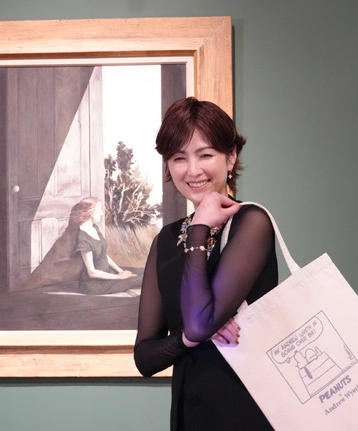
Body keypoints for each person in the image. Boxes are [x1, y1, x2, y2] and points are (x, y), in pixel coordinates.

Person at [134, 97, 278, 430]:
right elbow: (145, 358)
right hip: (189, 418)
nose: (192, 170)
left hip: (246, 413)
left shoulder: (251, 223)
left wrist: (198, 228)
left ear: (231, 157)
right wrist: (186, 338)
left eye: (206, 154)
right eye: (178, 157)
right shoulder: (166, 240)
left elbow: (201, 324)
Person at [71, 197, 141, 295]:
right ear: (91, 212)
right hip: (94, 285)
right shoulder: (83, 238)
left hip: (107, 275)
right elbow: (92, 272)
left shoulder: (94, 228)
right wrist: (119, 277)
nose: (101, 213)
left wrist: (120, 271)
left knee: (137, 273)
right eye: (99, 210)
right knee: (141, 279)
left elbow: (103, 254)